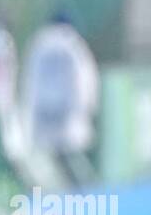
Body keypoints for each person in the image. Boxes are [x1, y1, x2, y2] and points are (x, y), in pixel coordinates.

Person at [22, 11, 99, 188]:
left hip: (43, 106)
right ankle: (85, 188)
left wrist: (29, 108)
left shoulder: (39, 42)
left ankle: (48, 189)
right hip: (67, 105)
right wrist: (88, 104)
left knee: (46, 153)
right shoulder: (73, 43)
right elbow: (84, 77)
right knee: (71, 152)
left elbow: (30, 78)